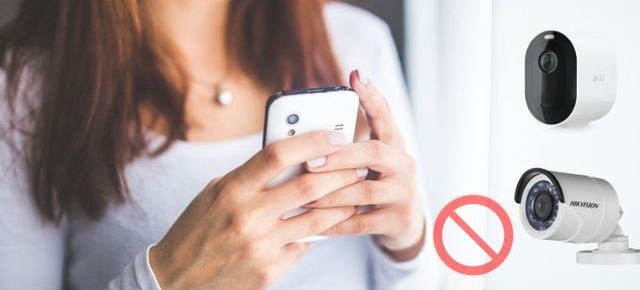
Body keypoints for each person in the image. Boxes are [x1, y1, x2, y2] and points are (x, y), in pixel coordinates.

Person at [0, 1, 427, 289]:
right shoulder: (22, 91)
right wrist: (166, 278)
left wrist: (408, 242)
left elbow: (432, 278)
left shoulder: (355, 41)